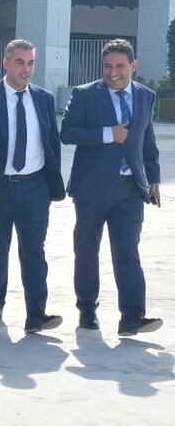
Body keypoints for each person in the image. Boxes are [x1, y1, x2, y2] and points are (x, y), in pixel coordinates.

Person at [0, 39, 65, 333]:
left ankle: (37, 314)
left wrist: (49, 186)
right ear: (5, 63)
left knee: (34, 251)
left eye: (31, 63)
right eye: (20, 62)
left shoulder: (43, 99)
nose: (26, 69)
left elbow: (52, 143)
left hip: (34, 188)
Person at [61, 38, 162, 336]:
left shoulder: (145, 96)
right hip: (91, 189)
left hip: (130, 190)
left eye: (120, 66)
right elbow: (67, 133)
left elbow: (147, 141)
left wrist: (153, 178)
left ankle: (132, 317)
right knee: (87, 250)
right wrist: (109, 134)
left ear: (133, 66)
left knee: (128, 252)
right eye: (107, 66)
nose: (113, 72)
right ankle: (87, 310)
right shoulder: (84, 95)